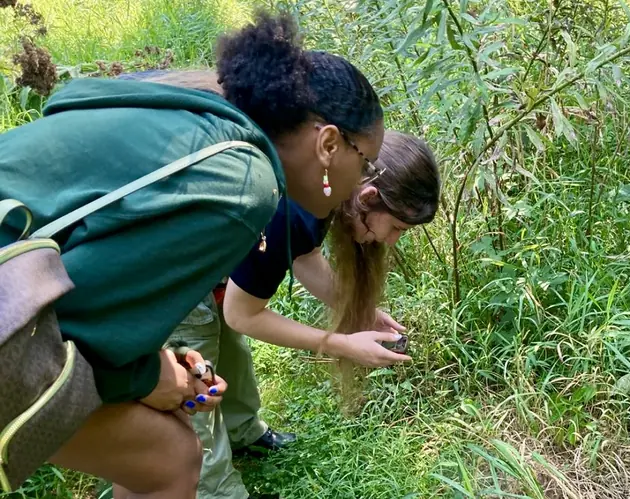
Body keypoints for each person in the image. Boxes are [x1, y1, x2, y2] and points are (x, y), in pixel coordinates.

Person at [0, 10, 383, 499]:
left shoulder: (202, 115)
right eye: (366, 162)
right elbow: (80, 328)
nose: (364, 180)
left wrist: (163, 365)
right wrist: (150, 378)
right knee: (173, 456)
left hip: (17, 275)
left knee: (162, 450)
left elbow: (98, 279)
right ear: (328, 143)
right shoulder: (244, 183)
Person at [163, 130, 440, 499]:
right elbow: (243, 315)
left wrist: (357, 310)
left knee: (230, 352)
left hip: (208, 250)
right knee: (194, 375)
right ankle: (215, 487)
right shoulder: (288, 207)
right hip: (171, 265)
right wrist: (341, 344)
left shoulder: (325, 184)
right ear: (368, 196)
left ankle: (243, 431)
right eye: (396, 228)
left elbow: (304, 255)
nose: (391, 241)